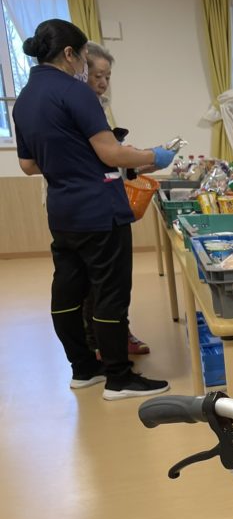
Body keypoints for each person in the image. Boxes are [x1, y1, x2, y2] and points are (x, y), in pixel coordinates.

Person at [13, 19, 173, 400]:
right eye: (85, 59)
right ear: (70, 54)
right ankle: (119, 377)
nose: (88, 69)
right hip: (99, 210)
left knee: (68, 291)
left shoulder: (24, 100)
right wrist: (154, 155)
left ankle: (83, 369)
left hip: (62, 212)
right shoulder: (75, 92)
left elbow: (28, 165)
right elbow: (110, 153)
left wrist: (69, 161)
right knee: (109, 293)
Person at [83, 40, 151, 357]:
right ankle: (103, 345)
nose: (103, 82)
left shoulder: (97, 105)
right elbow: (106, 157)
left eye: (107, 76)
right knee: (101, 283)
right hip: (89, 207)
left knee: (109, 282)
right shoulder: (78, 106)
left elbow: (109, 156)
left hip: (100, 200)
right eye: (97, 75)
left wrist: (130, 158)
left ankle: (114, 337)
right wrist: (143, 156)